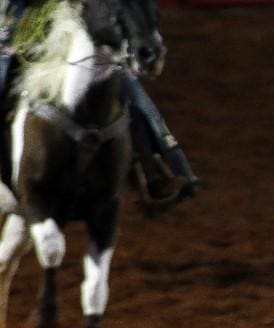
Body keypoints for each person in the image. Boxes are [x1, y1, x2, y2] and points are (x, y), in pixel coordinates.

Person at [0, 0, 200, 215]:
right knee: (3, 70)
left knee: (123, 80)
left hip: (74, 18)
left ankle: (160, 167)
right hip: (19, 18)